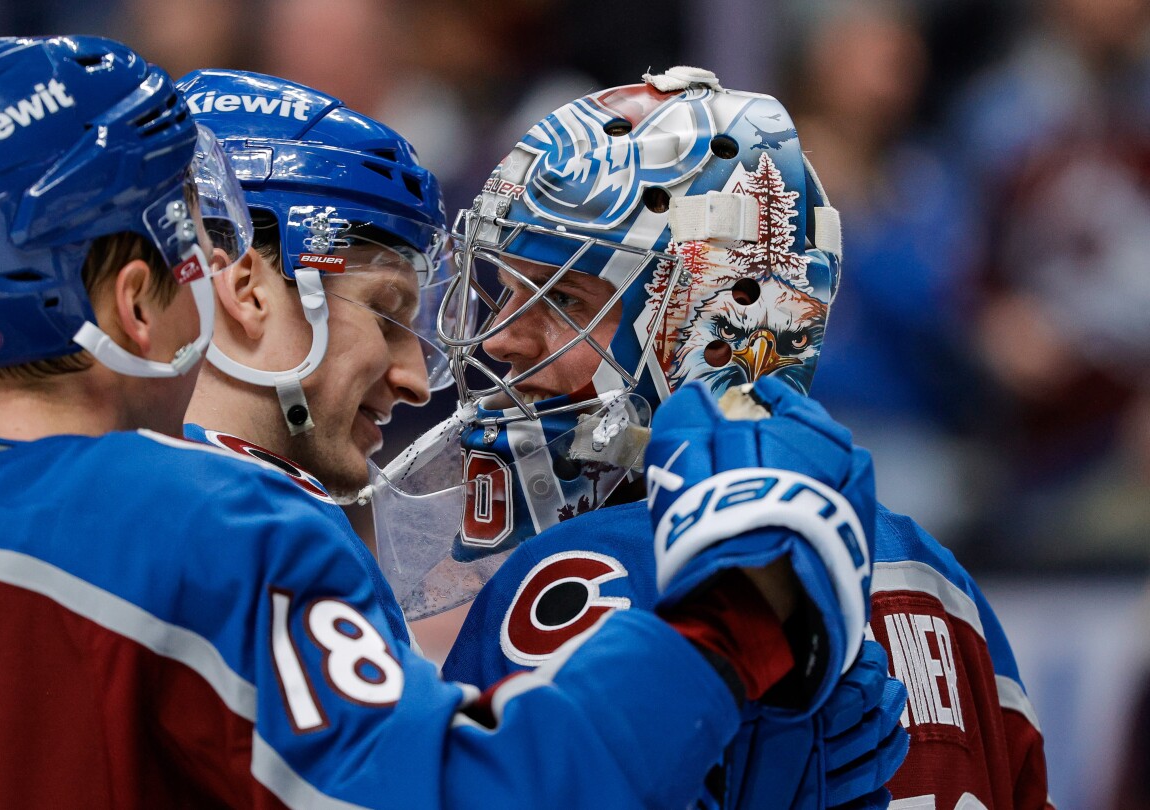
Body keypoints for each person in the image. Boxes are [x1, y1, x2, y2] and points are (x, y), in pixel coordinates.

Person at [0, 38, 878, 808]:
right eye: (186, 247)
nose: (215, 276)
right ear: (130, 302)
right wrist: (740, 616)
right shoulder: (202, 528)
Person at [373, 68, 1048, 808]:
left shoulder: (574, 574)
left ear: (712, 328)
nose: (504, 339)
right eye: (503, 291)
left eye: (563, 299)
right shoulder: (941, 584)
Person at [178, 68, 451, 500]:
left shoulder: (64, 495)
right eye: (385, 315)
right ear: (248, 291)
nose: (416, 382)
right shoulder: (287, 541)